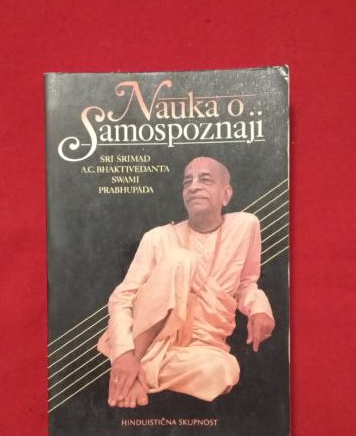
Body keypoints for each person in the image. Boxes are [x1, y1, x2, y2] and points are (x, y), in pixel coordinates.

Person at [97, 156, 275, 408]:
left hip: (201, 346)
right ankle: (131, 359)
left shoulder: (246, 226)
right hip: (152, 337)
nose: (193, 186)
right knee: (180, 259)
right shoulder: (158, 237)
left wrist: (259, 308)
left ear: (226, 194)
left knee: (224, 371)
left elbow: (246, 283)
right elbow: (122, 298)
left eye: (205, 180)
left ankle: (136, 371)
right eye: (187, 182)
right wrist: (124, 353)